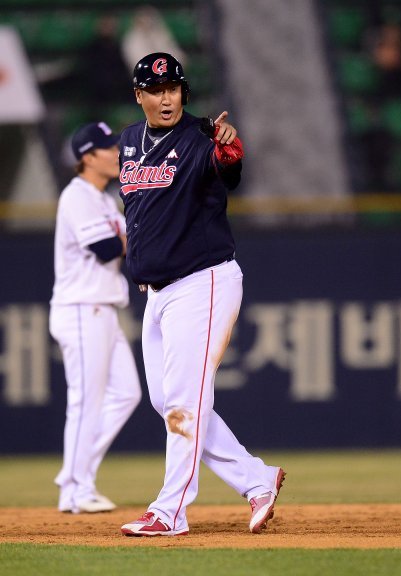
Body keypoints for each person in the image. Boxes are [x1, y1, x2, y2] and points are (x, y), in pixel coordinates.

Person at [117, 52, 285, 537]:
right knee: (166, 399)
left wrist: (228, 152)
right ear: (140, 96)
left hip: (202, 281)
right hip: (157, 292)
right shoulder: (130, 141)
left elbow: (226, 168)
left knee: (185, 401)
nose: (166, 97)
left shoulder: (203, 137)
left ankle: (170, 510)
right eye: (155, 89)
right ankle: (257, 479)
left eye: (173, 88)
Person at [50, 121, 142, 514]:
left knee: (126, 393)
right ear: (88, 157)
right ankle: (75, 488)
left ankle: (76, 471)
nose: (118, 153)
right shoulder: (77, 196)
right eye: (109, 148)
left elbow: (125, 242)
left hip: (102, 310)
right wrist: (132, 235)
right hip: (81, 309)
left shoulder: (104, 199)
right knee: (85, 402)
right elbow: (108, 249)